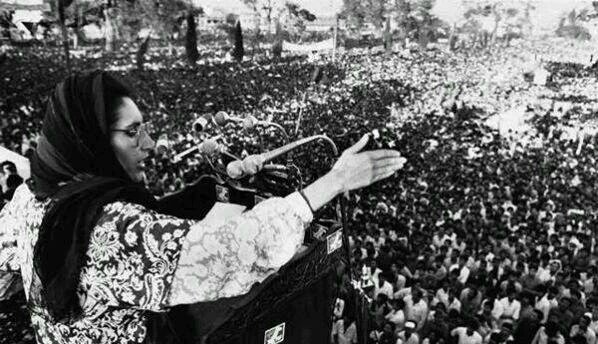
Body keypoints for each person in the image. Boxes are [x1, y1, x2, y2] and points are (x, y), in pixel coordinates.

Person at [0, 70, 405, 343]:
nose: (150, 145)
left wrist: (228, 190)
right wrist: (336, 181)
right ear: (88, 142)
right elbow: (237, 251)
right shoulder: (109, 230)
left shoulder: (30, 198)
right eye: (131, 133)